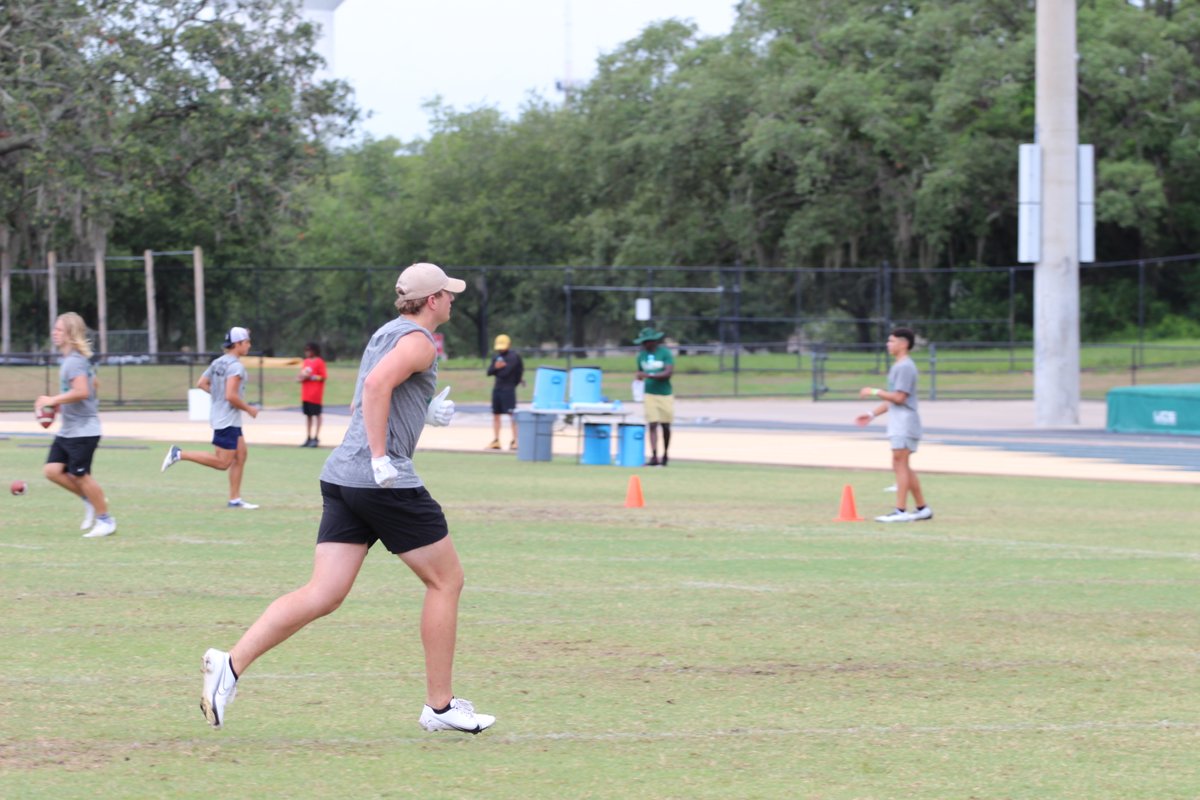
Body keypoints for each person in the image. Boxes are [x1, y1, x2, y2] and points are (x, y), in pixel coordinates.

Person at [197, 262, 495, 736]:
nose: (453, 299)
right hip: (381, 480)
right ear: (433, 299)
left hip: (341, 476)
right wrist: (382, 457)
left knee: (323, 593)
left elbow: (365, 399)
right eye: (449, 293)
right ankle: (439, 707)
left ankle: (228, 666)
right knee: (446, 581)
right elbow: (377, 388)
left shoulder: (386, 333)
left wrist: (424, 411)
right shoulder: (418, 340)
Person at [36, 312, 117, 538]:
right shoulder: (71, 360)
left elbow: (82, 392)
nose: (54, 333)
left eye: (59, 329)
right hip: (69, 430)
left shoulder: (74, 362)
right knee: (52, 470)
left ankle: (106, 520)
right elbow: (79, 393)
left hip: (83, 431)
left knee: (81, 476)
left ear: (71, 334)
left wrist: (52, 400)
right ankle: (90, 500)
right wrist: (53, 408)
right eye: (55, 328)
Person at [161, 326, 260, 509]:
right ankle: (179, 454)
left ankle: (235, 499)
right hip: (227, 420)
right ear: (237, 344)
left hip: (225, 417)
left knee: (241, 455)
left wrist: (218, 396)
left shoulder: (218, 362)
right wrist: (249, 409)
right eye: (246, 342)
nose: (249, 345)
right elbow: (231, 396)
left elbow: (202, 383)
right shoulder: (236, 366)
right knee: (223, 463)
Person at [855, 327, 933, 523]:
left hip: (905, 423)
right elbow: (893, 399)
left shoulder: (905, 366)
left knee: (900, 463)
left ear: (903, 344)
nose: (887, 345)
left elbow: (899, 397)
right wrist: (872, 414)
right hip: (900, 422)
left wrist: (874, 391)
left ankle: (900, 511)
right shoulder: (899, 366)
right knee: (902, 464)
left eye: (892, 341)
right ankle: (922, 509)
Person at [634, 326, 675, 466]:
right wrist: (639, 378)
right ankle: (654, 456)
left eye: (647, 341)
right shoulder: (641, 356)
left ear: (654, 341)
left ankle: (665, 455)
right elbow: (640, 372)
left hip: (665, 394)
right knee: (652, 424)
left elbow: (668, 373)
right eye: (643, 342)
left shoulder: (665, 353)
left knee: (665, 426)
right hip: (649, 393)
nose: (645, 344)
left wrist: (649, 375)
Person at [485, 333, 524, 450]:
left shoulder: (514, 357)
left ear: (509, 345)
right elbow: (489, 372)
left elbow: (507, 373)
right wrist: (497, 367)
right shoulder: (496, 357)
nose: (501, 349)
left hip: (509, 389)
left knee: (512, 415)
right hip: (497, 388)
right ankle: (496, 440)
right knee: (495, 414)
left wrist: (498, 369)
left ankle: (515, 441)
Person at [298, 341, 328, 447]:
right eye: (306, 350)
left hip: (315, 394)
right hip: (306, 394)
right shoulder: (305, 362)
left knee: (317, 415)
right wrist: (301, 377)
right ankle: (308, 437)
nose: (307, 352)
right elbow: (301, 375)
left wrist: (312, 376)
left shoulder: (319, 362)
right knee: (308, 416)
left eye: (309, 350)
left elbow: (323, 376)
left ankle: (316, 437)